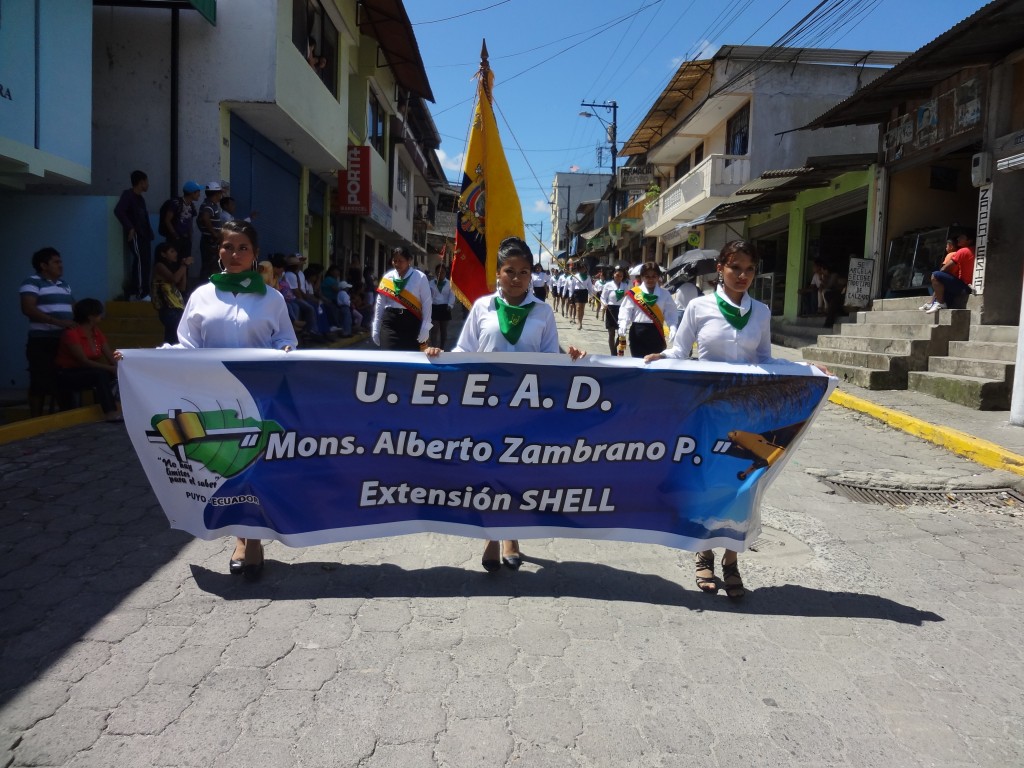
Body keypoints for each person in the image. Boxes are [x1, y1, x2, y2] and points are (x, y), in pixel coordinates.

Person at [645, 240, 821, 599]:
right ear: (720, 268)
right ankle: (704, 555)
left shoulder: (760, 312)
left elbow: (767, 360)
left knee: (743, 489)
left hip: (750, 413)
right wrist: (660, 357)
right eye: (735, 267)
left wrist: (808, 369)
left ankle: (731, 560)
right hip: (711, 411)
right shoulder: (699, 306)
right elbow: (681, 350)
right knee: (708, 483)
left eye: (749, 269)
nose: (742, 275)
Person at [425, 236, 585, 572]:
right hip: (485, 406)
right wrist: (439, 356)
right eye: (509, 271)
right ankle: (492, 536)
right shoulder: (482, 308)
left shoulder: (542, 312)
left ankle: (510, 534)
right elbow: (464, 351)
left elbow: (548, 358)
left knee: (516, 472)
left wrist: (570, 358)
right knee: (487, 470)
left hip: (525, 408)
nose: (516, 278)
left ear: (531, 276)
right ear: (498, 273)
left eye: (523, 272)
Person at [178, 220, 297, 580]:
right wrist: (139, 361)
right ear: (218, 252)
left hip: (257, 399)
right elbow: (185, 346)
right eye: (228, 247)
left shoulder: (272, 299)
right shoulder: (201, 296)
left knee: (255, 471)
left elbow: (285, 340)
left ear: (255, 254)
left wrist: (286, 349)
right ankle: (242, 537)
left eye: (243, 247)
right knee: (227, 469)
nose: (234, 254)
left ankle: (253, 540)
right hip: (213, 401)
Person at [20, 247, 76, 417]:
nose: (61, 265)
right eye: (56, 262)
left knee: (63, 378)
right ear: (44, 265)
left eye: (60, 262)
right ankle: (35, 418)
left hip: (63, 341)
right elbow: (28, 308)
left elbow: (74, 308)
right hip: (41, 340)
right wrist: (58, 322)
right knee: (39, 379)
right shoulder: (32, 282)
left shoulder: (64, 285)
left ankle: (65, 416)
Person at [54, 298, 122, 422]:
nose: (101, 316)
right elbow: (83, 361)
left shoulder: (96, 332)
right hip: (69, 372)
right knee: (101, 375)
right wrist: (111, 368)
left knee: (113, 375)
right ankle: (110, 412)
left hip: (89, 370)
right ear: (90, 317)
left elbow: (110, 355)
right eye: (98, 314)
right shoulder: (72, 334)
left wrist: (120, 367)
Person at [372, 246, 433, 351]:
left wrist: (425, 327)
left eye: (401, 261)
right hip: (390, 322)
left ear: (409, 260)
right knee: (388, 358)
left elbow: (427, 303)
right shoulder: (388, 277)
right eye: (394, 261)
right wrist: (376, 326)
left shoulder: (420, 277)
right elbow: (380, 303)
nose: (397, 264)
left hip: (411, 322)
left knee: (409, 360)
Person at [616, 262, 679, 358]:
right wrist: (623, 324)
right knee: (639, 362)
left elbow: (671, 312)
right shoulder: (634, 293)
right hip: (638, 332)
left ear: (658, 277)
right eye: (647, 276)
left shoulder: (665, 294)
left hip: (656, 332)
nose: (650, 279)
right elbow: (626, 310)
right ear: (642, 277)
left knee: (655, 364)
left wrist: (673, 326)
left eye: (654, 276)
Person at [114, 170, 154, 300]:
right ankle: (140, 293)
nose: (148, 184)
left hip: (144, 235)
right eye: (146, 182)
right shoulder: (128, 195)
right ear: (141, 182)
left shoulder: (140, 199)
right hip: (136, 235)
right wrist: (130, 228)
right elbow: (119, 210)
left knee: (145, 262)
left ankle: (137, 290)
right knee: (141, 261)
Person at [151, 242, 191, 345]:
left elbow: (182, 287)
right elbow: (174, 279)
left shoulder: (173, 268)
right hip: (167, 308)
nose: (175, 254)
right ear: (163, 254)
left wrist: (184, 268)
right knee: (173, 337)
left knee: (172, 338)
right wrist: (184, 265)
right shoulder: (159, 266)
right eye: (171, 251)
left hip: (177, 308)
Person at [923, 233, 975, 313]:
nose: (958, 239)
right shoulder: (975, 250)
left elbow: (944, 269)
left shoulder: (962, 251)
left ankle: (939, 303)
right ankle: (937, 303)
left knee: (936, 275)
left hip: (964, 286)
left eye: (961, 237)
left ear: (969, 241)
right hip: (970, 287)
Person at [159, 180, 202, 267]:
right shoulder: (176, 203)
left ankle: (183, 280)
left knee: (186, 262)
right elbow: (167, 220)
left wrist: (190, 236)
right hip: (175, 239)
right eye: (197, 192)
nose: (199, 195)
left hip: (186, 239)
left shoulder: (191, 206)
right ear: (192, 193)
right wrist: (175, 236)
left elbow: (190, 221)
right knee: (174, 262)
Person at [197, 181, 226, 281]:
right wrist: (214, 234)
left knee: (212, 265)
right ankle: (205, 286)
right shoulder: (208, 205)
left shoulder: (211, 205)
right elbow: (205, 218)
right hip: (210, 241)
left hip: (210, 240)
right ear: (216, 193)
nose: (221, 195)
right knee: (209, 266)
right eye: (220, 193)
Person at [600, 265, 629, 355]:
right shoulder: (608, 285)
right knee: (611, 333)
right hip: (611, 308)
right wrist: (604, 304)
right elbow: (603, 297)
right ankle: (613, 353)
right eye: (617, 275)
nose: (619, 277)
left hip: (621, 310)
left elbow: (628, 297)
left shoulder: (625, 285)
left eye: (621, 276)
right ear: (613, 275)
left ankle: (616, 346)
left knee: (621, 332)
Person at [429, 263, 456, 349]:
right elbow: (428, 295)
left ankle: (442, 348)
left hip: (445, 308)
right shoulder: (431, 283)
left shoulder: (450, 284)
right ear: (435, 273)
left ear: (445, 273)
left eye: (442, 272)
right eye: (438, 272)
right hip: (434, 307)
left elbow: (452, 295)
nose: (440, 274)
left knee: (443, 330)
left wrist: (450, 305)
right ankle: (433, 346)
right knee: (434, 329)